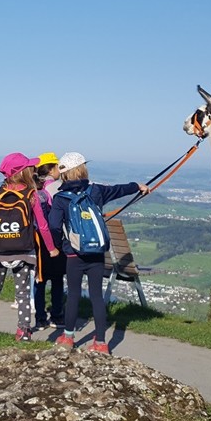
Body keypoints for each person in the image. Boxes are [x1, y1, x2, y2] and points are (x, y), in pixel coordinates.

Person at [48, 151, 149, 353]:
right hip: (96, 252)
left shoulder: (60, 198)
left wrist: (59, 246)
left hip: (74, 254)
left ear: (64, 173)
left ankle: (68, 338)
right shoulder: (96, 191)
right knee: (96, 295)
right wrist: (138, 186)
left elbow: (53, 225)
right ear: (83, 169)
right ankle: (101, 342)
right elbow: (119, 190)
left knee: (74, 294)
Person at [0, 152, 59, 341]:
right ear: (23, 172)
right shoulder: (31, 195)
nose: (33, 170)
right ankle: (23, 331)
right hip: (24, 251)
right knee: (23, 293)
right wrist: (51, 249)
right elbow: (43, 226)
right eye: (30, 168)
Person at [33, 152, 67, 330]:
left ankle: (40, 317)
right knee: (57, 279)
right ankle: (57, 315)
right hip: (55, 242)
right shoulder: (58, 188)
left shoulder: (35, 190)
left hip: (37, 242)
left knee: (40, 279)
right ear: (53, 168)